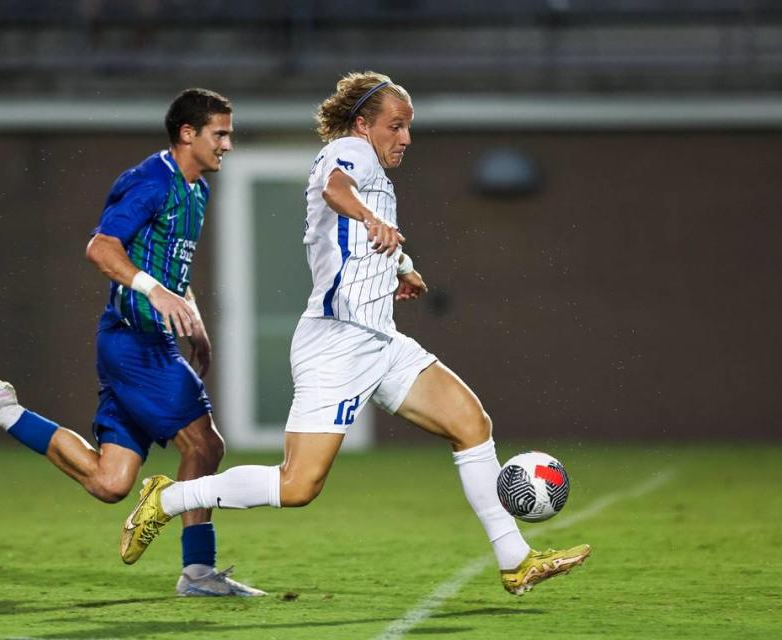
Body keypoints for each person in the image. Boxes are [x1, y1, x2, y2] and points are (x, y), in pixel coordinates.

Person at [120, 72, 591, 597]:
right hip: (337, 342)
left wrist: (402, 265)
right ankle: (169, 498)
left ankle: (515, 560)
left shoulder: (372, 167)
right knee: (297, 486)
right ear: (364, 124)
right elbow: (335, 190)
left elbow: (352, 233)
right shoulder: (349, 150)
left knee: (471, 424)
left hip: (379, 339)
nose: (406, 137)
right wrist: (370, 217)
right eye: (396, 125)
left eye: (409, 126)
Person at [0, 88, 265, 598]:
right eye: (220, 134)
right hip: (136, 343)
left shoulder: (197, 190)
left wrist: (192, 317)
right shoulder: (153, 181)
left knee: (110, 483)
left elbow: (171, 270)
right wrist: (154, 293)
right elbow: (101, 248)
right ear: (187, 134)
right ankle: (198, 571)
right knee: (204, 444)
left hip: (139, 342)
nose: (228, 146)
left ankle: (5, 412)